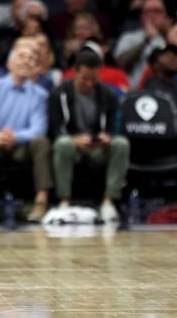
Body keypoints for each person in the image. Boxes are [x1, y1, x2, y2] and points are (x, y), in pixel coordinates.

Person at [0, 41, 52, 224]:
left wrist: (16, 137)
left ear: (35, 66)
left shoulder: (40, 95)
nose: (26, 61)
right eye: (22, 57)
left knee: (42, 142)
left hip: (22, 147)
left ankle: (41, 203)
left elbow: (39, 128)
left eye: (31, 59)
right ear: (9, 64)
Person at [50, 48, 129, 223]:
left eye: (94, 79)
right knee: (63, 143)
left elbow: (111, 128)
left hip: (96, 148)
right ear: (75, 73)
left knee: (121, 143)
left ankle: (109, 202)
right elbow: (54, 130)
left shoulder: (109, 95)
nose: (89, 84)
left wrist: (106, 137)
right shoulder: (59, 94)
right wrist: (74, 139)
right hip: (72, 147)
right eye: (84, 79)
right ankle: (64, 201)